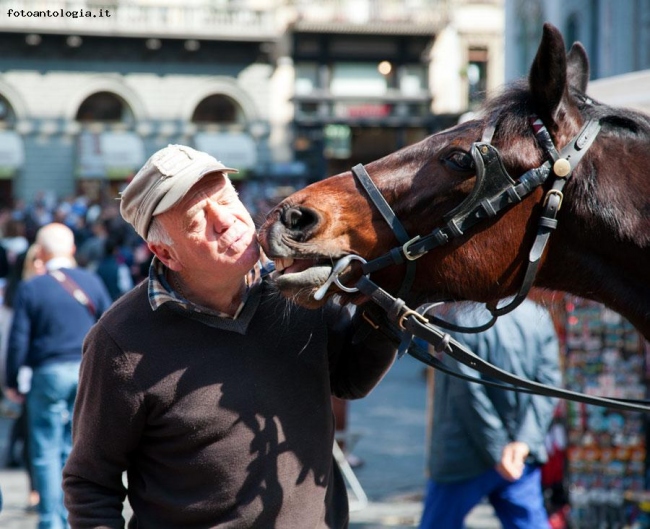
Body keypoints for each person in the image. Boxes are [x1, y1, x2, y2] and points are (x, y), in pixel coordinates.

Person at [62, 144, 397, 528]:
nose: (225, 220)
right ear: (165, 253)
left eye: (226, 198)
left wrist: (387, 303)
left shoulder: (294, 286)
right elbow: (89, 483)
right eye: (196, 220)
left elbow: (351, 378)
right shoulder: (120, 342)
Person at [4, 223, 113, 529]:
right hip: (84, 371)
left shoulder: (33, 287)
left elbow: (18, 340)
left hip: (47, 374)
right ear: (73, 249)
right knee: (74, 447)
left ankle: (52, 521)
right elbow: (109, 328)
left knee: (45, 451)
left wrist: (12, 381)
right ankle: (74, 517)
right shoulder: (91, 282)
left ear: (40, 252)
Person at [419, 298, 560, 529]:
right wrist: (523, 443)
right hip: (516, 455)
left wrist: (502, 450)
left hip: (464, 452)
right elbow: (548, 387)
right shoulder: (537, 316)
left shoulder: (458, 317)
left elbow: (467, 394)